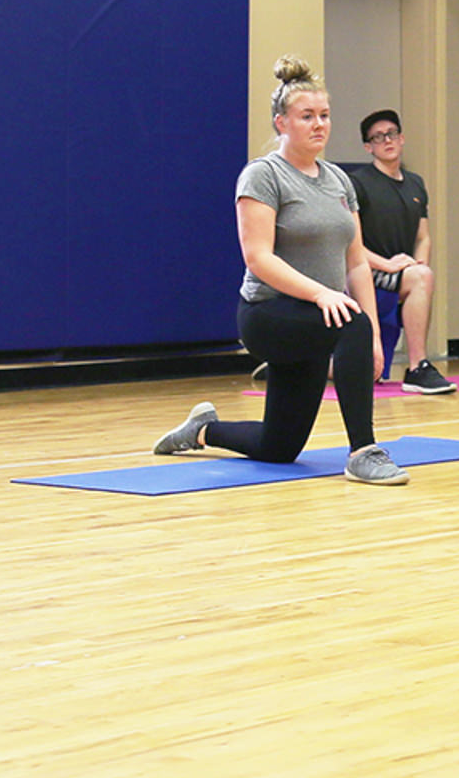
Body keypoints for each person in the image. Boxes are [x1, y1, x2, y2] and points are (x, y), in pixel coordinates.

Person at [153, 57, 408, 486]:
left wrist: (377, 338)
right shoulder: (262, 175)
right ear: (281, 123)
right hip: (270, 314)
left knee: (279, 447)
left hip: (319, 318)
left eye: (324, 115)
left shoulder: (340, 182)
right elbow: (259, 258)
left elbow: (356, 260)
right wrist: (323, 295)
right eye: (306, 116)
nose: (318, 124)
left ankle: (201, 429)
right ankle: (363, 451)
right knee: (352, 324)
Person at [348, 107, 454, 396]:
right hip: (366, 271)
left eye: (392, 133)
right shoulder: (357, 184)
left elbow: (423, 236)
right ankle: (417, 368)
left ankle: (302, 365)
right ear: (368, 147)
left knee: (370, 372)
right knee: (421, 277)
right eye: (378, 137)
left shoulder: (416, 183)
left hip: (401, 272)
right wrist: (389, 265)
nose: (387, 140)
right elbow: (351, 245)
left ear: (402, 138)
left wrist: (418, 262)